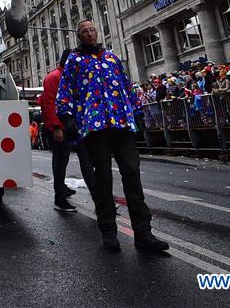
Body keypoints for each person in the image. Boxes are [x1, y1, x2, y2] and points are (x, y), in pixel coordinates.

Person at [57, 19, 168, 253]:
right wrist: (67, 120)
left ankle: (144, 234)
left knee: (132, 175)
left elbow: (127, 86)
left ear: (96, 32)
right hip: (95, 127)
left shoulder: (111, 58)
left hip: (121, 122)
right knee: (103, 179)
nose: (89, 34)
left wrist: (137, 113)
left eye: (91, 30)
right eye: (84, 31)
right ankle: (108, 232)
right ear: (78, 36)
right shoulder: (74, 61)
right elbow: (65, 91)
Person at [40, 49, 95, 212]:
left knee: (85, 160)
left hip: (76, 126)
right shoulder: (53, 77)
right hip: (61, 128)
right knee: (61, 161)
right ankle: (59, 197)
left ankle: (98, 197)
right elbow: (50, 103)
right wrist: (57, 127)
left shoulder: (75, 76)